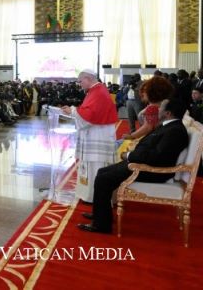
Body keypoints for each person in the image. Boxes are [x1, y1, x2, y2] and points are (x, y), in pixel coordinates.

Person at [78, 98, 189, 233]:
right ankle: (100, 215)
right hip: (142, 163)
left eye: (161, 108)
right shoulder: (169, 126)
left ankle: (101, 225)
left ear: (168, 113)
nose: (158, 109)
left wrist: (129, 155)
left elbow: (157, 157)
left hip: (152, 171)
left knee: (104, 179)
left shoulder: (175, 131)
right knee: (102, 172)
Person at [61, 70, 118, 203]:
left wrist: (72, 111)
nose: (79, 84)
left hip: (97, 137)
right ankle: (90, 196)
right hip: (97, 134)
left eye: (80, 81)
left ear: (88, 79)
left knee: (96, 167)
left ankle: (94, 198)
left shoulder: (98, 92)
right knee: (92, 167)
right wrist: (73, 111)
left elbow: (89, 116)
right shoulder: (96, 90)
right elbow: (87, 111)